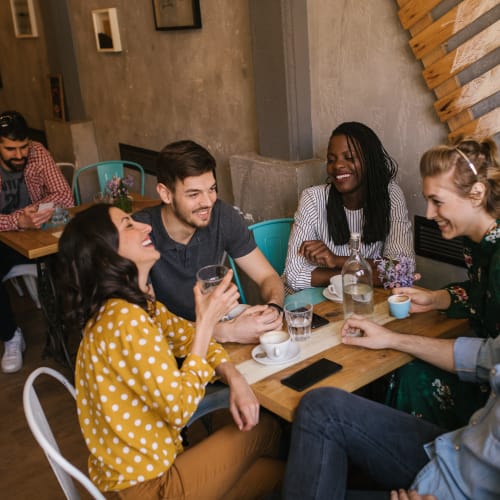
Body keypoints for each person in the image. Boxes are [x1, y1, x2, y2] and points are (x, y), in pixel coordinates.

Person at [57, 203, 285, 498]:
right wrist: (206, 321)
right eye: (128, 225)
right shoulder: (123, 320)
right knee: (265, 430)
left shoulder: (136, 306)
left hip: (160, 467)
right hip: (153, 487)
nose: (146, 227)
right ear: (105, 256)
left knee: (282, 477)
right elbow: (179, 409)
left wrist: (235, 378)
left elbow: (187, 336)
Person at [282, 315, 500, 500]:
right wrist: (391, 339)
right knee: (320, 407)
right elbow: (483, 356)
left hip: (454, 491)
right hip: (453, 450)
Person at [387, 138, 500, 430]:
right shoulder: (476, 242)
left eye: (437, 201)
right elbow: (481, 296)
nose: (428, 214)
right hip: (484, 365)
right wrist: (436, 299)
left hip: (493, 395)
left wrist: (393, 339)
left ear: (477, 194)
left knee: (408, 374)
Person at [133, 140, 284, 343]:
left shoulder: (223, 215)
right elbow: (147, 326)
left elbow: (267, 276)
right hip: (169, 348)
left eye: (211, 189)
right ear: (165, 193)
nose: (207, 202)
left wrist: (273, 308)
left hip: (221, 330)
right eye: (194, 194)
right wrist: (226, 332)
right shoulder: (140, 235)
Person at [284, 121, 414, 292]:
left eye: (349, 158)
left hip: (360, 300)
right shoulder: (313, 199)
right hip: (310, 302)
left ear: (369, 160)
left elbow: (402, 270)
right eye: (331, 160)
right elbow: (294, 275)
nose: (337, 165)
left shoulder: (390, 195)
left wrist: (336, 261)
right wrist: (366, 273)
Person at [0, 110, 73, 373]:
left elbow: (65, 196)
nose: (19, 155)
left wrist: (32, 216)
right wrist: (17, 220)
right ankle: (10, 336)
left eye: (23, 147)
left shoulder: (38, 152)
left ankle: (72, 327)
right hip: (4, 239)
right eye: (10, 149)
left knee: (80, 255)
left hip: (40, 234)